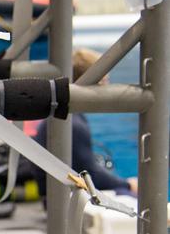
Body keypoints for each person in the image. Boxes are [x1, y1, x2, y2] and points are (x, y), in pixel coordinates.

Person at [32, 48, 137, 197]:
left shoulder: (66, 114)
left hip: (54, 195)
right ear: (93, 83)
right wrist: (127, 184)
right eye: (105, 82)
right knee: (134, 198)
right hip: (61, 201)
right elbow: (91, 175)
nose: (108, 89)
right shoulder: (73, 124)